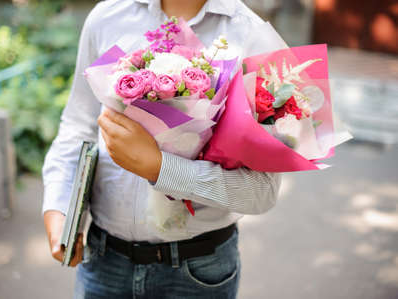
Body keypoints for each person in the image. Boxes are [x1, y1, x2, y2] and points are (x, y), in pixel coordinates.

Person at [42, 0, 282, 298]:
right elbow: (78, 126)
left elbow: (263, 191)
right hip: (103, 260)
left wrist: (160, 169)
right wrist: (61, 206)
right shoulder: (107, 16)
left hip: (199, 272)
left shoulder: (254, 38)